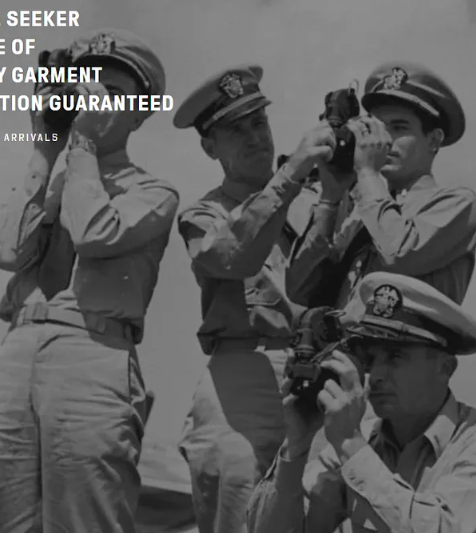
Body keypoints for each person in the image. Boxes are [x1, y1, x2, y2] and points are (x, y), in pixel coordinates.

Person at [0, 28, 177, 533]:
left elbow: (93, 233)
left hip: (92, 350)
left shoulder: (153, 192)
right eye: (85, 85)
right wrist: (45, 148)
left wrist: (83, 144)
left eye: (111, 91)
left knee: (85, 520)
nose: (91, 98)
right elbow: (4, 251)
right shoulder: (53, 180)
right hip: (19, 346)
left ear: (140, 112)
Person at [170, 64, 334, 533]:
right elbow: (230, 256)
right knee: (239, 511)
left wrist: (339, 186)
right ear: (209, 147)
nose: (255, 138)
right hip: (243, 374)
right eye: (235, 130)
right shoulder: (204, 214)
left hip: (320, 370)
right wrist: (292, 174)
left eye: (259, 122)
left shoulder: (316, 198)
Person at [247, 272, 476, 532]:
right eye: (371, 358)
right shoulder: (361, 442)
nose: (376, 375)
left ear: (445, 368)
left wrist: (350, 445)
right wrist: (295, 445)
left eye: (396, 357)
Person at [286, 61, 476, 307]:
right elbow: (300, 290)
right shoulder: (360, 216)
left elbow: (399, 253)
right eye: (377, 127)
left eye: (399, 127)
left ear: (434, 140)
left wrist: (366, 172)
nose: (385, 139)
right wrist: (330, 197)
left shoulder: (456, 204)